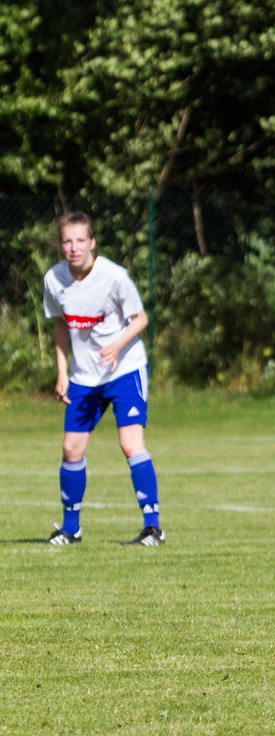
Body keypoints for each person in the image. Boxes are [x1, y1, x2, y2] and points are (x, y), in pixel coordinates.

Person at [42, 211, 165, 546]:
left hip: (124, 369)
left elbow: (140, 319)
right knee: (71, 448)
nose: (73, 247)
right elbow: (59, 326)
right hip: (84, 376)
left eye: (80, 240)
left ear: (92, 242)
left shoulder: (114, 276)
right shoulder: (54, 280)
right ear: (61, 244)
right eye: (67, 241)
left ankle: (153, 527)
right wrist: (62, 372)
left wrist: (116, 346)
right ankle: (71, 529)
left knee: (129, 443)